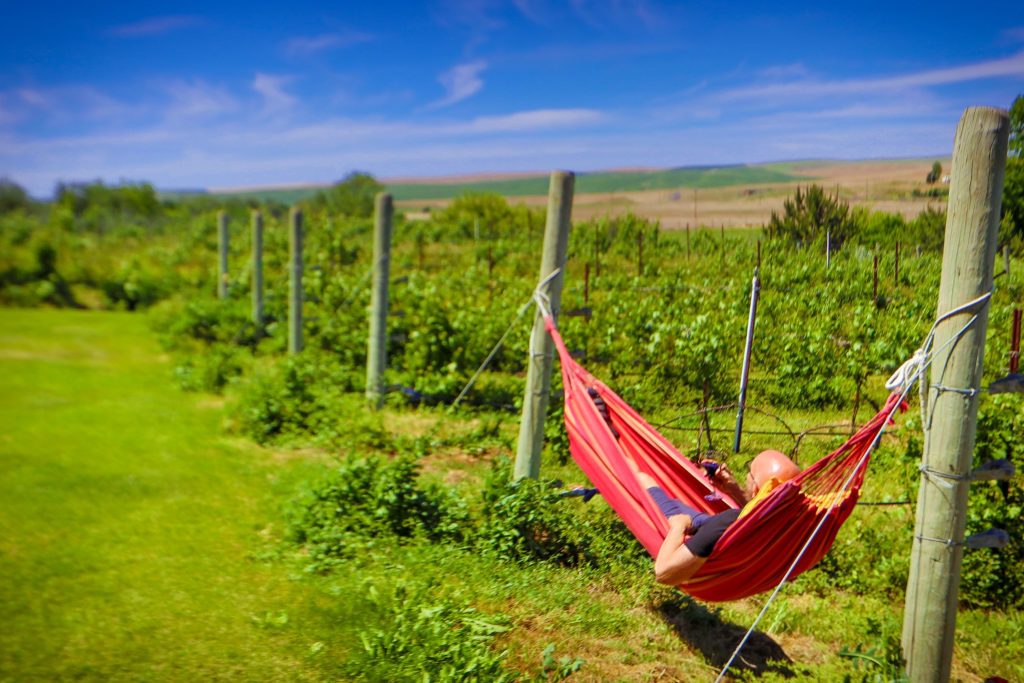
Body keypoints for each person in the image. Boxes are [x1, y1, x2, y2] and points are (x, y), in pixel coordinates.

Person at [634, 450, 801, 585]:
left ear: (756, 489)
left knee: (641, 477)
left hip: (688, 524)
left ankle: (611, 439)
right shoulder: (791, 528)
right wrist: (736, 491)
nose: (747, 475)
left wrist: (678, 526)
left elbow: (664, 573)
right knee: (674, 495)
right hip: (704, 521)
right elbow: (757, 516)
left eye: (750, 471)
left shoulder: (726, 523)